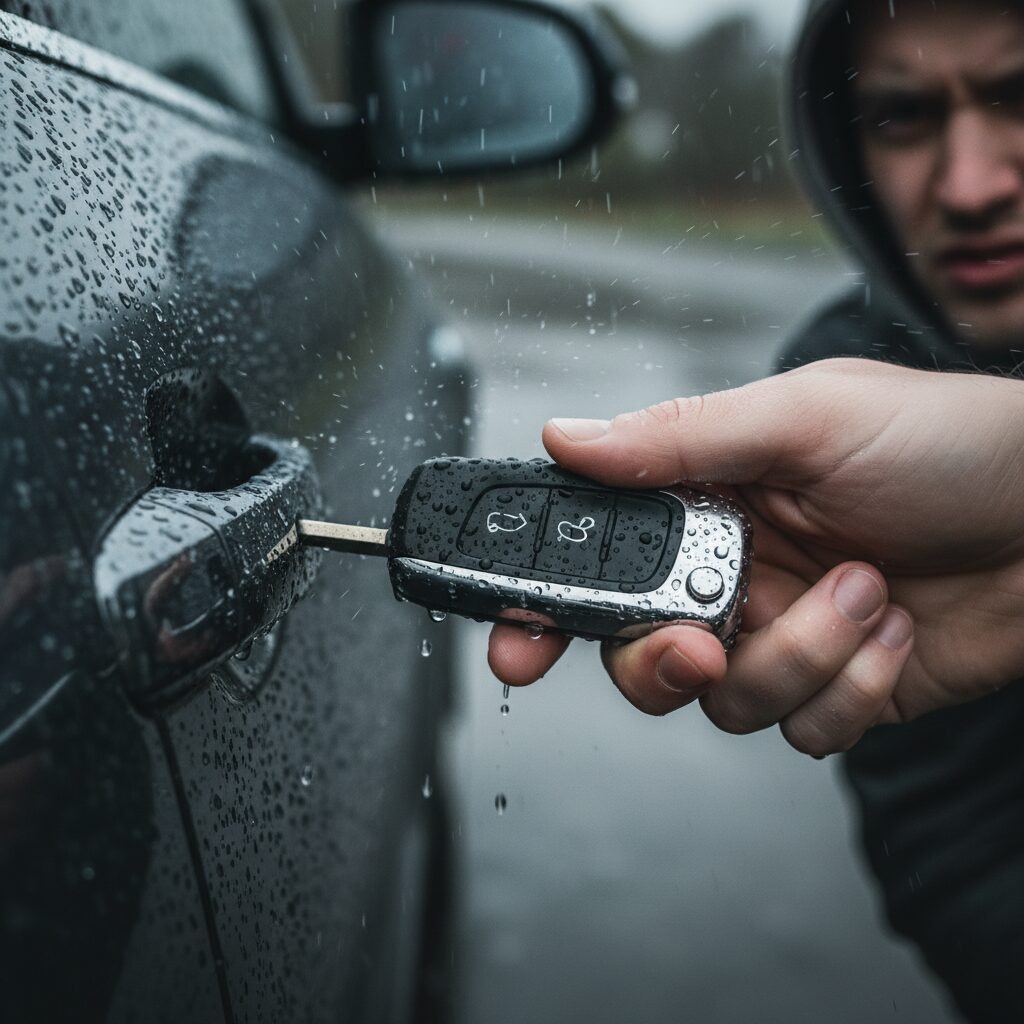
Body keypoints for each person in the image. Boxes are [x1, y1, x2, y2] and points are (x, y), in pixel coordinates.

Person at [488, 1, 1024, 1020]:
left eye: (1017, 95)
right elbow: (963, 862)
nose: (969, 185)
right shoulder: (840, 400)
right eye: (904, 117)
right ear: (846, 147)